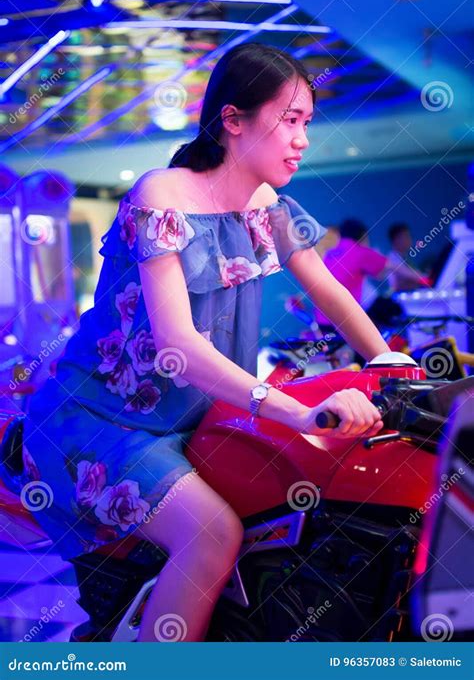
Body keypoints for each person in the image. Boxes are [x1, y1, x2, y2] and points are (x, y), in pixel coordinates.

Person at [7, 44, 390, 643]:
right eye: (290, 120)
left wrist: (393, 362)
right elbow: (177, 345)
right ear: (233, 120)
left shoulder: (268, 207)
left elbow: (328, 289)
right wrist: (295, 409)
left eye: (307, 123)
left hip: (194, 420)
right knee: (211, 533)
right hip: (98, 421)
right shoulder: (162, 195)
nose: (303, 139)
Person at [387, 223, 431, 292]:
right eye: (406, 236)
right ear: (397, 239)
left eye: (410, 236)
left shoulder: (404, 257)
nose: (410, 239)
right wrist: (429, 277)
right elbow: (415, 277)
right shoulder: (393, 260)